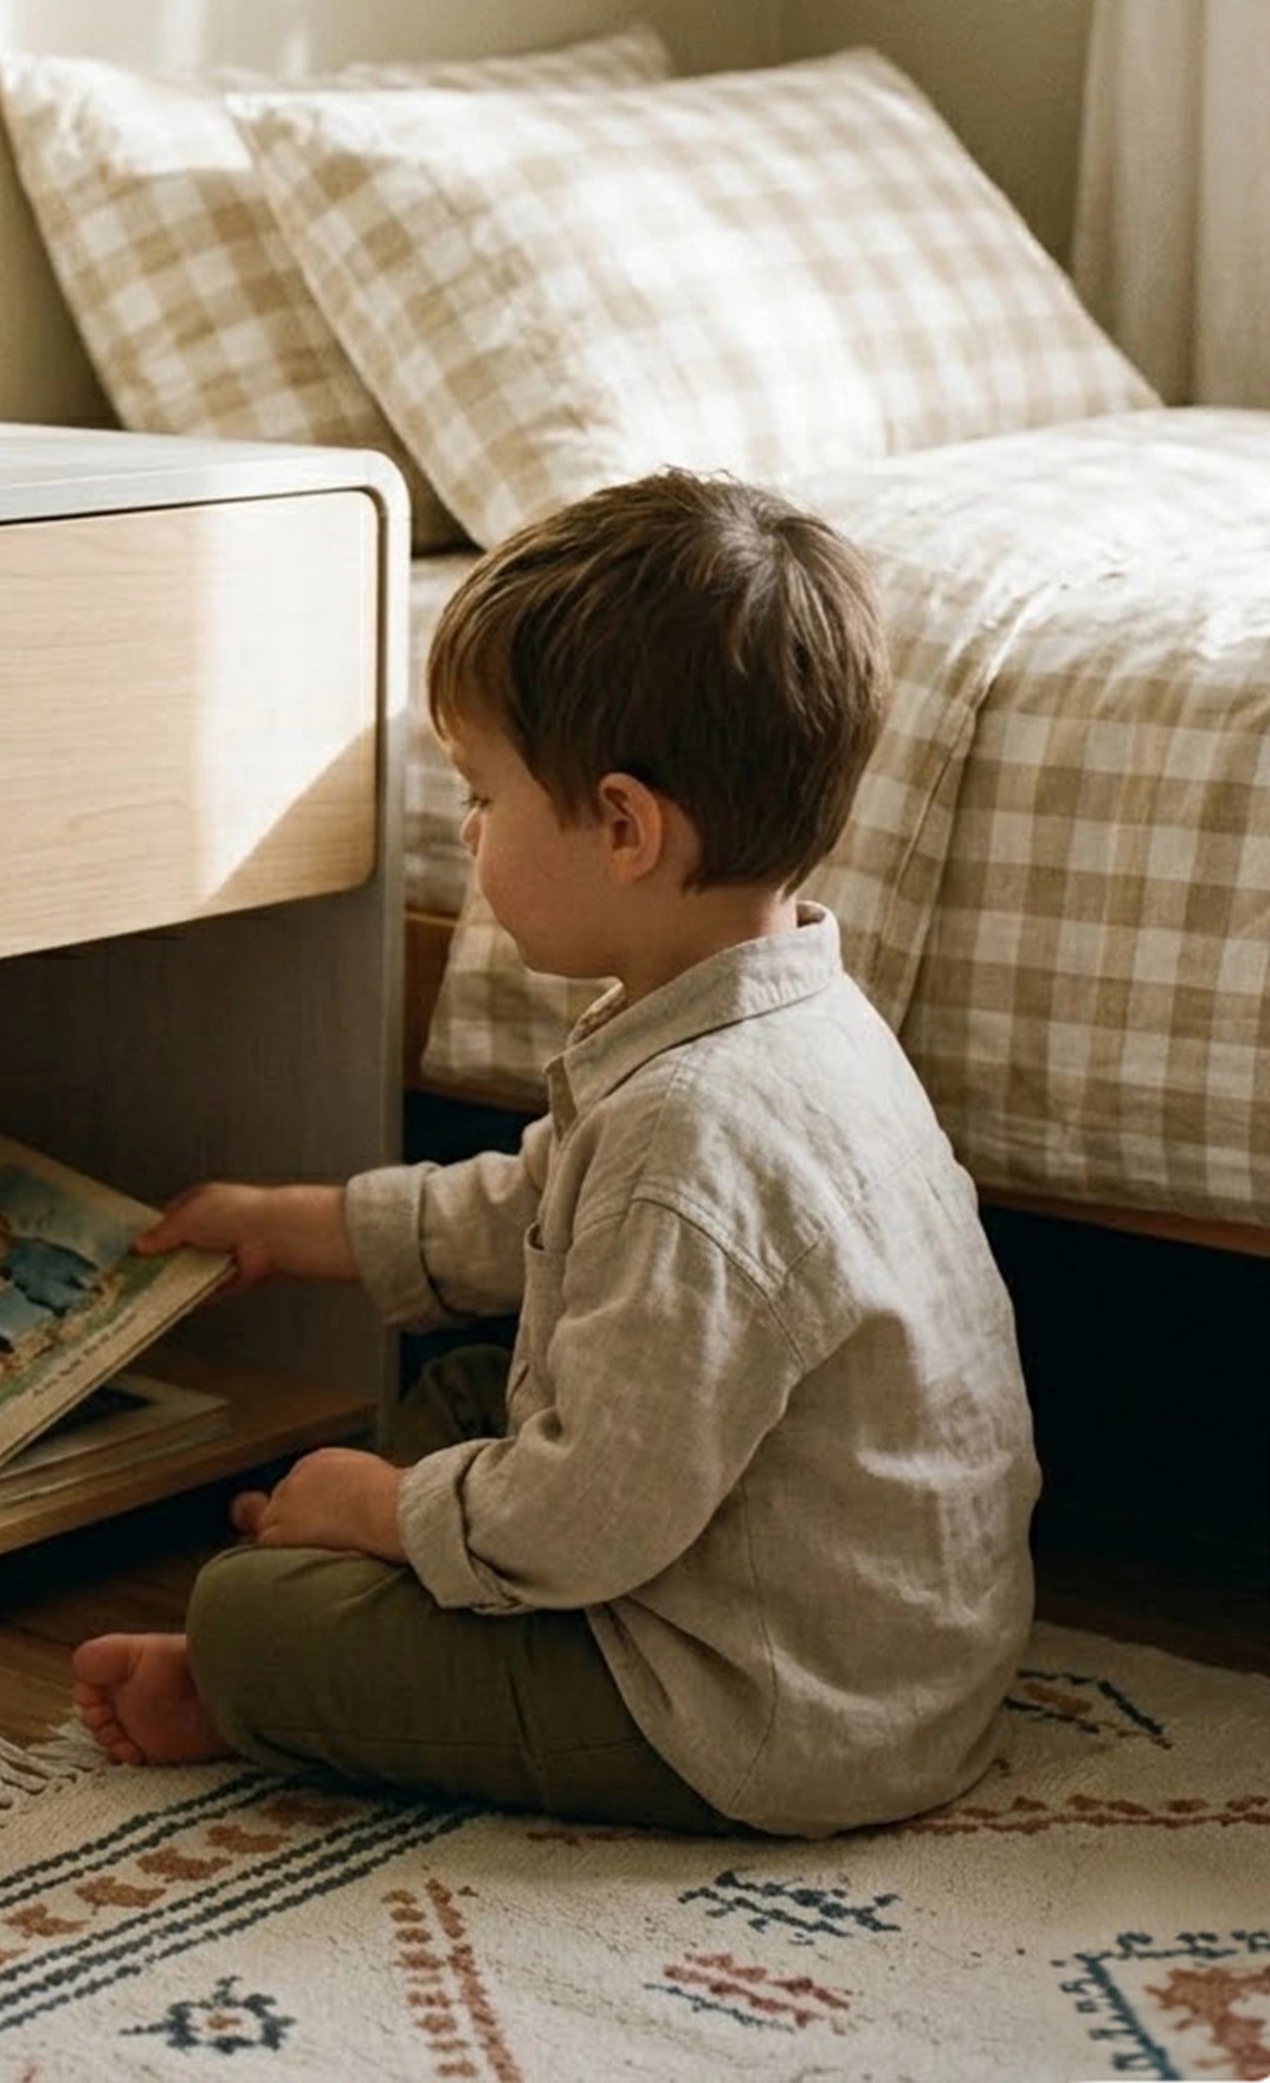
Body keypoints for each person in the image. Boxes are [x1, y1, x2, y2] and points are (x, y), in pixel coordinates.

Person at [73, 468, 1039, 1839]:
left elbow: (590, 1517)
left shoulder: (694, 1132)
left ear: (626, 828)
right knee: (473, 1383)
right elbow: (532, 1211)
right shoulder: (787, 1010)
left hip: (767, 1712)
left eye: (483, 795)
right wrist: (295, 1224)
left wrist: (382, 1511)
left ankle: (251, 1686)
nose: (467, 832)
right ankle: (380, 1597)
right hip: (878, 1639)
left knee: (247, 1620)